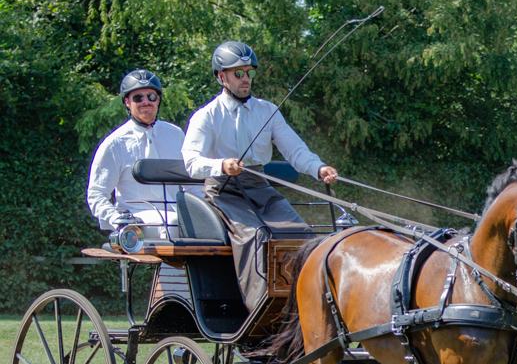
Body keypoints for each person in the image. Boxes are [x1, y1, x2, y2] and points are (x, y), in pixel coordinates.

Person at [182, 41, 339, 311]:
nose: (246, 79)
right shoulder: (206, 116)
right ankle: (261, 310)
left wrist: (318, 168)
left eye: (249, 72)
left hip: (259, 186)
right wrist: (222, 165)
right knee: (257, 236)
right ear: (221, 76)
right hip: (224, 192)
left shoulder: (268, 111)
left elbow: (295, 150)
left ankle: (307, 305)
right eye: (238, 73)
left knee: (302, 232)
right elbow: (191, 163)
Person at [87, 70, 188, 236]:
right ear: (127, 102)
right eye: (138, 98)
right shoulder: (115, 143)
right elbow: (96, 193)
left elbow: (192, 182)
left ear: (158, 100)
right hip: (136, 218)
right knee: (172, 223)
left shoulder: (176, 135)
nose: (146, 101)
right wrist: (116, 219)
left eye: (151, 96)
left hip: (177, 212)